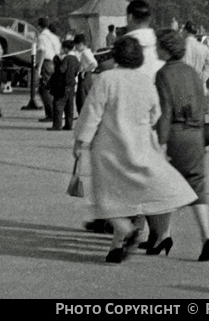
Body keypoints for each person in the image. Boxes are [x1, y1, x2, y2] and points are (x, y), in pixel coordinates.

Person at [73, 35, 197, 263]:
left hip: (109, 148)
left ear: (116, 55)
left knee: (108, 201)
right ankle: (115, 247)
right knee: (132, 198)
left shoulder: (106, 79)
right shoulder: (144, 81)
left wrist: (81, 142)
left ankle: (127, 233)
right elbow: (155, 114)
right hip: (139, 147)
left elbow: (92, 114)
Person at [153, 29, 209, 261]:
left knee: (165, 187)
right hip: (195, 134)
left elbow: (165, 112)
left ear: (166, 49)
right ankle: (206, 236)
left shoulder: (163, 74)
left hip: (175, 134)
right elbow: (202, 104)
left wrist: (160, 143)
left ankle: (164, 235)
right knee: (197, 187)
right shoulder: (192, 73)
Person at [30, 18, 61, 117]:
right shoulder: (54, 36)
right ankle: (56, 111)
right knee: (53, 87)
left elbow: (43, 52)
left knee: (44, 88)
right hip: (55, 62)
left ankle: (50, 113)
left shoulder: (42, 36)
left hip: (47, 62)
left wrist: (39, 67)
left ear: (39, 26)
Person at [49, 39, 80, 130]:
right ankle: (69, 124)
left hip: (64, 84)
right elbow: (77, 69)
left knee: (58, 103)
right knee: (69, 106)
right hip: (72, 83)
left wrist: (57, 66)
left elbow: (62, 69)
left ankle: (57, 125)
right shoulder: (75, 58)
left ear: (66, 49)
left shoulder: (66, 58)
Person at [74, 34, 98, 112]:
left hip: (85, 77)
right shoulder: (87, 52)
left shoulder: (85, 53)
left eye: (76, 46)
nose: (76, 48)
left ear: (80, 44)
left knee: (82, 99)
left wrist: (85, 70)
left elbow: (94, 63)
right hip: (87, 77)